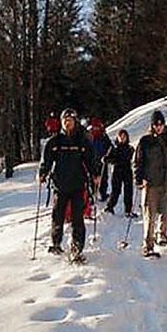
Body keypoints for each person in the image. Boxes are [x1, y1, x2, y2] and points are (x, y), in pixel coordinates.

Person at [39, 108, 100, 263]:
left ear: (75, 122)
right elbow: (46, 160)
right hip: (60, 185)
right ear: (61, 122)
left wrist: (96, 174)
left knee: (78, 219)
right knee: (57, 217)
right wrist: (42, 173)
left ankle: (77, 249)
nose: (68, 123)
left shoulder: (82, 141)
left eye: (70, 120)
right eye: (65, 120)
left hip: (78, 186)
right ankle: (56, 244)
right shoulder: (55, 141)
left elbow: (90, 160)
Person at [134, 110, 167, 257]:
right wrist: (138, 178)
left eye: (160, 124)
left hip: (166, 182)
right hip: (150, 182)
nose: (158, 127)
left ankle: (162, 234)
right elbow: (138, 162)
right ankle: (148, 245)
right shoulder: (145, 141)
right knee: (149, 214)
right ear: (152, 125)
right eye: (155, 124)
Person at [103, 129, 136, 217]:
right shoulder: (114, 148)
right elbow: (108, 158)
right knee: (116, 190)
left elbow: (133, 159)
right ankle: (110, 206)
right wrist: (106, 159)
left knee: (128, 191)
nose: (122, 138)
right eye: (120, 136)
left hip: (127, 170)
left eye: (124, 137)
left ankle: (128, 210)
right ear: (118, 137)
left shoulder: (130, 148)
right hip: (117, 171)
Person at [87, 117, 113, 201]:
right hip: (93, 160)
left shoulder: (103, 136)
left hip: (102, 159)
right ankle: (93, 194)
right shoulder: (90, 136)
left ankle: (102, 193)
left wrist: (108, 155)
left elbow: (110, 146)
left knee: (103, 178)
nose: (96, 128)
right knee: (93, 177)